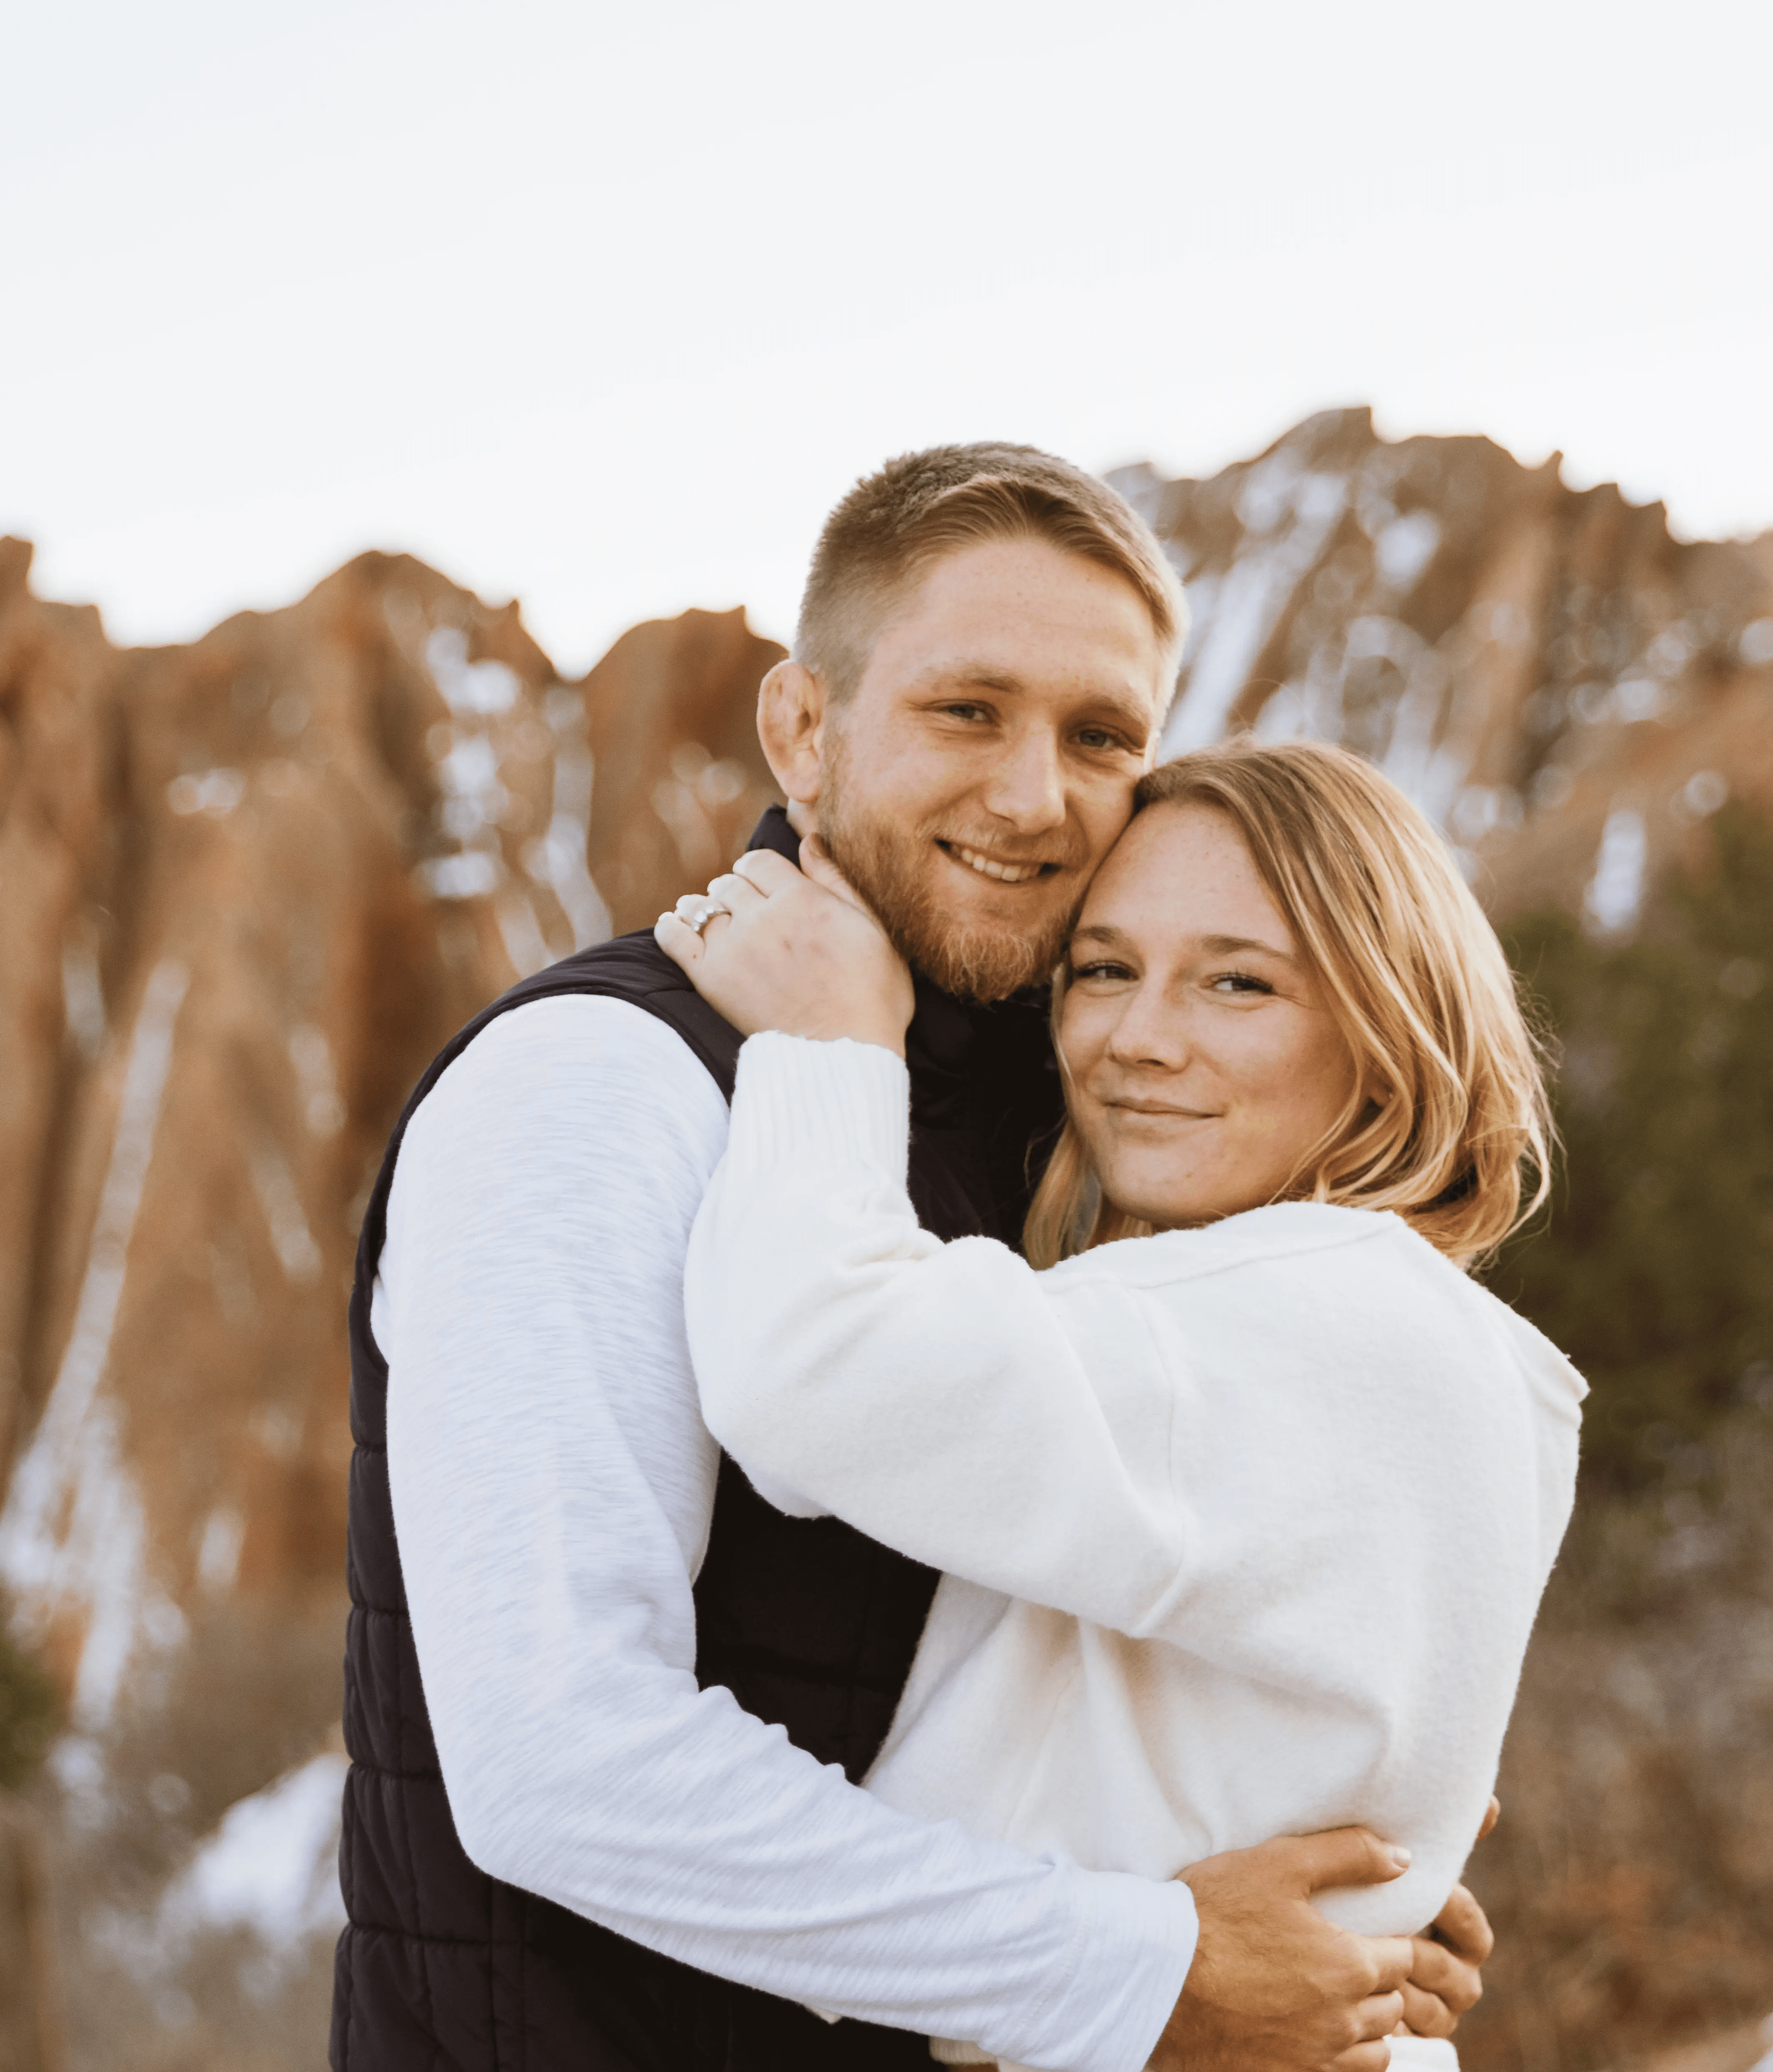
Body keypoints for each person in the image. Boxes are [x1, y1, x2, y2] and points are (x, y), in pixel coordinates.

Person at [333, 445, 1498, 2071]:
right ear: (801, 731)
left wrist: (1336, 1860)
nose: (1034, 795)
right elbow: (561, 1758)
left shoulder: (1077, 1098)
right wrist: (1149, 1962)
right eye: (968, 709)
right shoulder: (595, 1088)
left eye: (1100, 734)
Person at [660, 741, 1583, 2072]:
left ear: (1389, 1030)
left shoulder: (1319, 1322)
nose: (1139, 1040)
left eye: (1238, 982)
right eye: (1103, 969)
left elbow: (806, 1367)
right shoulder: (1415, 1339)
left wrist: (834, 1043)